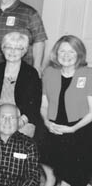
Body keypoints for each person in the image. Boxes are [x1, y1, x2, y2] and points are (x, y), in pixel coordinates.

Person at [39, 35, 92, 186]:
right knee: (43, 151)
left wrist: (72, 128)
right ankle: (52, 179)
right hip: (54, 125)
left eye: (71, 52)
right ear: (56, 53)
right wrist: (47, 122)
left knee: (72, 172)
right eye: (62, 51)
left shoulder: (89, 74)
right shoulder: (49, 72)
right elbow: (43, 105)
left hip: (81, 127)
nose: (66, 55)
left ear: (79, 54)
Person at [0, 32, 42, 137]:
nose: (12, 51)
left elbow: (34, 105)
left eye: (17, 48)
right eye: (8, 47)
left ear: (24, 51)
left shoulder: (31, 73)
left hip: (22, 120)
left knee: (17, 142)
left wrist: (21, 121)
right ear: (2, 49)